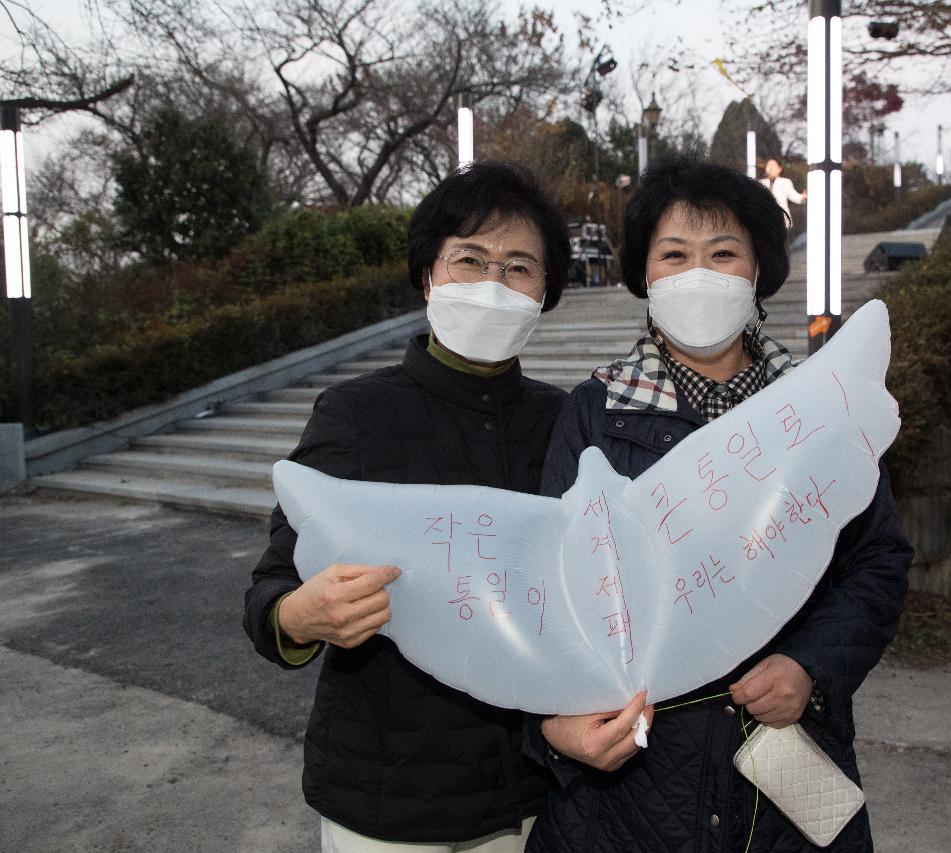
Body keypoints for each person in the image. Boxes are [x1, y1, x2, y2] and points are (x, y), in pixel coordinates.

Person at [523, 157, 913, 853]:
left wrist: (810, 667)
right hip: (627, 789)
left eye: (723, 252)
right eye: (674, 253)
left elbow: (878, 558)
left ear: (759, 269)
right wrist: (559, 724)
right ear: (645, 275)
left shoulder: (819, 408)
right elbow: (551, 590)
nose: (698, 272)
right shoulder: (596, 409)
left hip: (790, 758)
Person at [243, 162, 571, 853]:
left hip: (529, 787)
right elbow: (274, 585)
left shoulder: (564, 423)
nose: (493, 284)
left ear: (545, 291)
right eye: (470, 260)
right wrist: (301, 615)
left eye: (519, 267)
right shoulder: (357, 415)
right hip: (385, 795)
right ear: (428, 275)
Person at [761, 157, 807, 226]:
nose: (770, 168)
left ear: (779, 169)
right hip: (766, 220)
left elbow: (794, 196)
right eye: (768, 165)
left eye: (773, 165)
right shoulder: (761, 183)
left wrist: (803, 197)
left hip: (782, 219)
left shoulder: (786, 182)